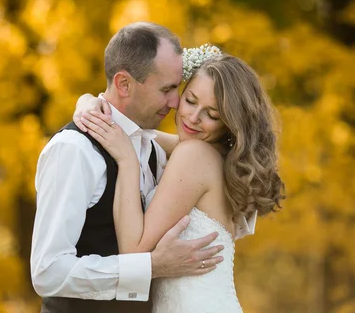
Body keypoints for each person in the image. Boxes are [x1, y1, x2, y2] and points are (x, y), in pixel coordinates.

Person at [30, 23, 225, 313]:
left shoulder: (154, 150)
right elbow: (48, 271)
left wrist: (86, 101)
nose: (175, 103)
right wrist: (150, 267)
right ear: (123, 84)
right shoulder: (74, 150)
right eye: (167, 89)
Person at [75, 50, 285, 312]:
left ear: (231, 124)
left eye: (212, 115)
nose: (193, 117)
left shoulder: (193, 155)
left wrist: (127, 162)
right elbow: (137, 135)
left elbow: (133, 251)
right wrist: (88, 102)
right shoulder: (220, 159)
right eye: (190, 100)